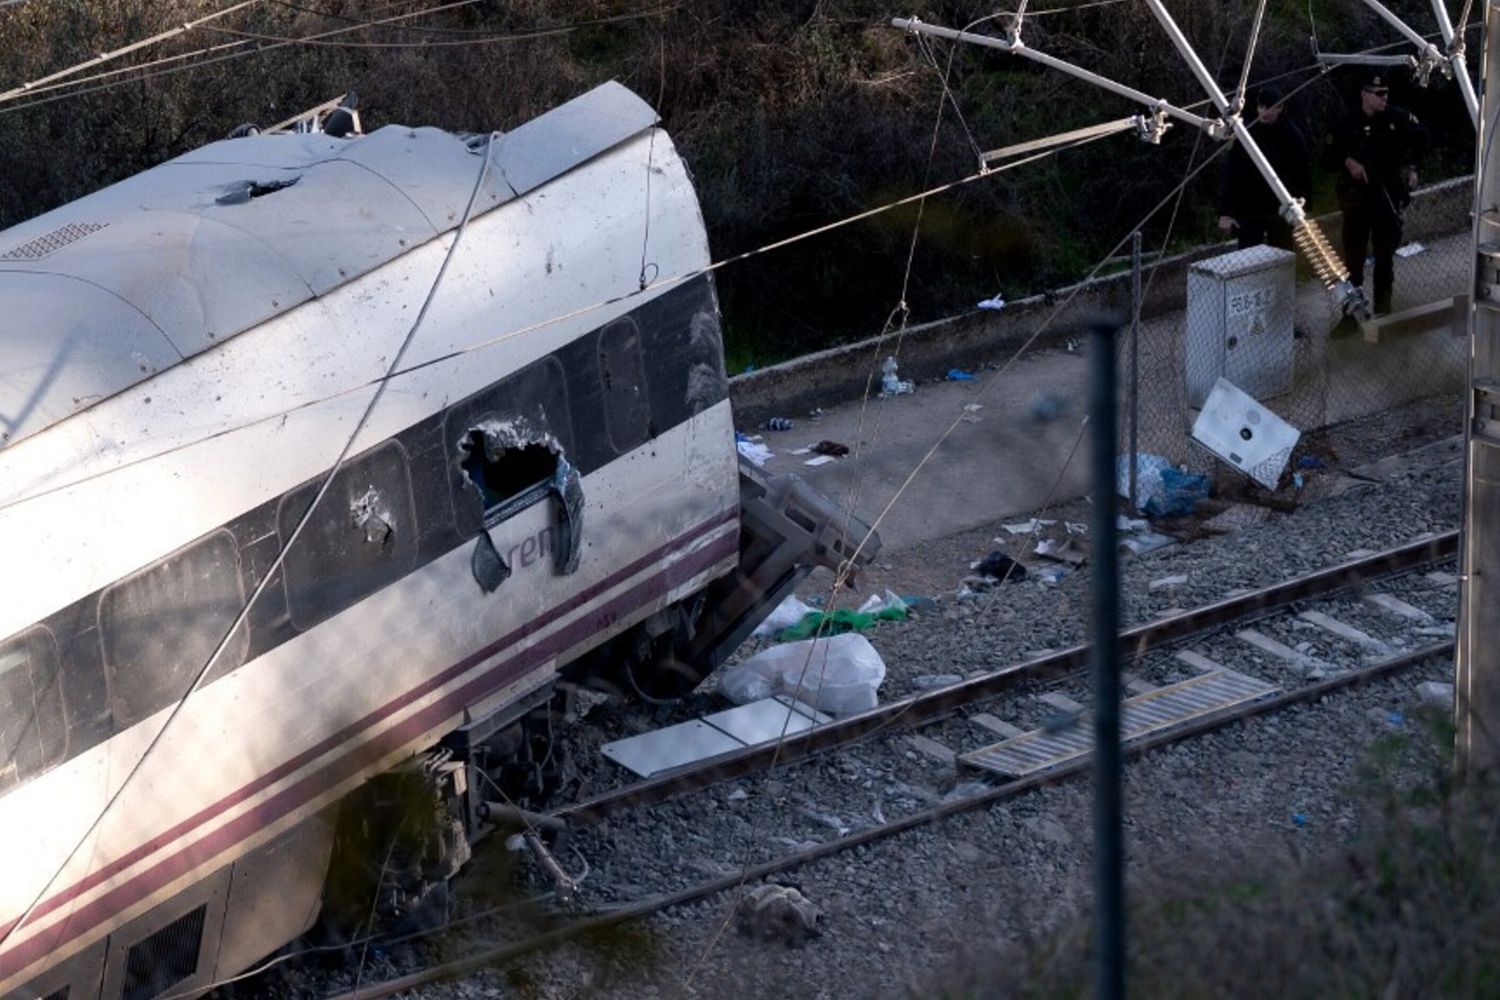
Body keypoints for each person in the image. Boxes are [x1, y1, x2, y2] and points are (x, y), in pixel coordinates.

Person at [1331, 72, 1429, 316]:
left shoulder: (1396, 118)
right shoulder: (1348, 121)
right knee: (1353, 262)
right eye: (1379, 94)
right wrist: (1348, 161)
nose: (1384, 98)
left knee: (1384, 260)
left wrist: (1412, 166)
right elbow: (1327, 156)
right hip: (1357, 201)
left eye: (1386, 93)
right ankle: (1352, 315)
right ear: (1365, 96)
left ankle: (1384, 313)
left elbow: (1423, 137)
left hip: (1387, 198)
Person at [1218, 85, 1311, 251]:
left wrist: (1303, 205)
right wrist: (1226, 212)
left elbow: (1302, 172)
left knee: (1282, 255)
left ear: (1280, 108)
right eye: (1261, 107)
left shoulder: (1291, 135)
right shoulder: (1248, 134)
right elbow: (1232, 174)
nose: (1264, 112)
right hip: (1251, 208)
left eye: (1270, 107)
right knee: (1246, 257)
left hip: (1280, 209)